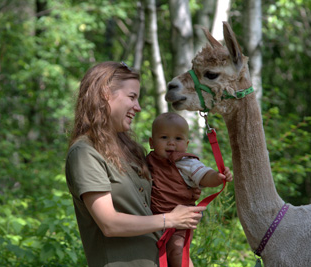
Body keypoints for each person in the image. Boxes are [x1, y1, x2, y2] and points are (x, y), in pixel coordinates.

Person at [65, 61, 206, 267]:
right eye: (132, 97)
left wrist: (182, 196)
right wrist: (171, 219)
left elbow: (154, 212)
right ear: (105, 93)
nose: (138, 108)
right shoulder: (85, 152)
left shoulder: (131, 150)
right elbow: (109, 224)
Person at [147, 112, 233, 267]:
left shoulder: (186, 163)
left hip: (179, 223)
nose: (171, 143)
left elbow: (203, 175)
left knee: (177, 251)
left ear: (186, 144)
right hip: (153, 221)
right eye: (164, 138)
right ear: (152, 142)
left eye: (178, 139)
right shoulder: (148, 161)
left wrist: (217, 176)